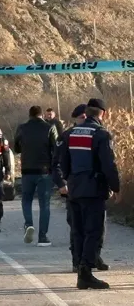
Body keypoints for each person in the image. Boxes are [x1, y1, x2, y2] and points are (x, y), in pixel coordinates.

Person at [59, 98, 120, 289]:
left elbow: (63, 163)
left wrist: (70, 181)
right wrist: (116, 187)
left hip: (74, 189)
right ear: (103, 113)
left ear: (87, 111)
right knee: (94, 231)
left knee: (78, 230)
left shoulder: (70, 133)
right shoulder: (101, 134)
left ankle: (80, 269)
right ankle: (85, 273)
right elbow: (108, 165)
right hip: (94, 189)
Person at [54, 104, 109, 273]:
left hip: (90, 187)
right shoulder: (67, 136)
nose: (84, 121)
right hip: (75, 189)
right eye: (81, 118)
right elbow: (57, 163)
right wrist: (63, 183)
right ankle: (78, 261)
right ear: (76, 119)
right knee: (78, 227)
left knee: (97, 227)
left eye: (86, 117)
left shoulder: (96, 134)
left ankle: (93, 257)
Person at [14, 105, 64, 247]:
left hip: (27, 171)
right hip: (44, 171)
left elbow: (16, 148)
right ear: (42, 115)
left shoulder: (22, 128)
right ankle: (43, 237)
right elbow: (56, 149)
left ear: (29, 115)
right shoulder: (49, 128)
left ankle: (29, 224)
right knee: (44, 204)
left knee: (26, 200)